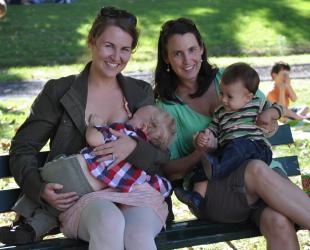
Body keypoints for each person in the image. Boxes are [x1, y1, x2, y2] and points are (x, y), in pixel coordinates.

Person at [0, 6, 170, 250]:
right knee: (109, 223)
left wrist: (133, 147)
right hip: (85, 197)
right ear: (92, 41)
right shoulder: (59, 91)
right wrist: (39, 189)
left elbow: (161, 155)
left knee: (138, 235)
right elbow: (23, 147)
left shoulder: (139, 93)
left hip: (136, 190)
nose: (116, 57)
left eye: (125, 50)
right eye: (109, 46)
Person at [154, 18, 310, 250]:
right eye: (177, 54)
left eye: (192, 50)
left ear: (202, 48)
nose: (187, 60)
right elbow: (167, 170)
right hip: (215, 191)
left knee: (278, 222)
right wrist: (200, 152)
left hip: (265, 181)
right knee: (255, 168)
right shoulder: (166, 106)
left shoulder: (228, 78)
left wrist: (269, 125)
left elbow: (268, 115)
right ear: (166, 58)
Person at [174, 62, 282, 210]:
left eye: (229, 96)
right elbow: (213, 129)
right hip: (230, 151)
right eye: (221, 93)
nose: (223, 99)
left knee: (238, 146)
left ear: (248, 97)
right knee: (204, 162)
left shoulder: (257, 104)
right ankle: (197, 197)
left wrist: (269, 114)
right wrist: (204, 136)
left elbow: (279, 108)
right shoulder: (220, 112)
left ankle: (216, 169)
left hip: (255, 148)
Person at [40, 105, 175, 207]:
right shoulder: (142, 171)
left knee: (45, 177)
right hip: (83, 191)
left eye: (132, 117)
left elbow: (94, 139)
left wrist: (95, 124)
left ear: (143, 127)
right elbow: (163, 187)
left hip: (72, 169)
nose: (128, 118)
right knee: (58, 205)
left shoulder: (124, 132)